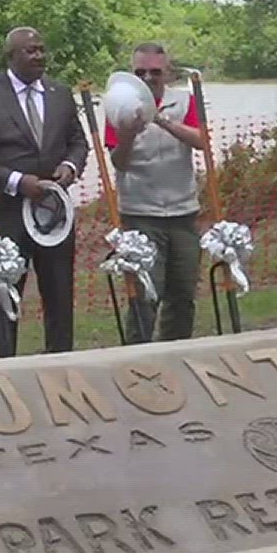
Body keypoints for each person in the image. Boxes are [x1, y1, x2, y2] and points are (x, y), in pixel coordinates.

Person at [0, 26, 89, 356]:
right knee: (3, 297)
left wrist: (70, 167)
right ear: (11, 56)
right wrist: (16, 180)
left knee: (59, 293)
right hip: (3, 213)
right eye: (30, 51)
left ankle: (61, 364)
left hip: (54, 214)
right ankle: (4, 367)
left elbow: (78, 142)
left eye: (41, 49)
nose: (39, 56)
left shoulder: (60, 93)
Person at [104, 42, 208, 341]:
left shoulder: (185, 102)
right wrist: (127, 136)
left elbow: (202, 141)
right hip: (140, 214)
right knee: (145, 295)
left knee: (183, 294)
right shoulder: (117, 107)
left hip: (184, 212)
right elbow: (119, 163)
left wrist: (160, 119)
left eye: (155, 72)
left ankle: (176, 351)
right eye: (140, 72)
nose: (148, 78)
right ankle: (138, 355)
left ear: (168, 73)